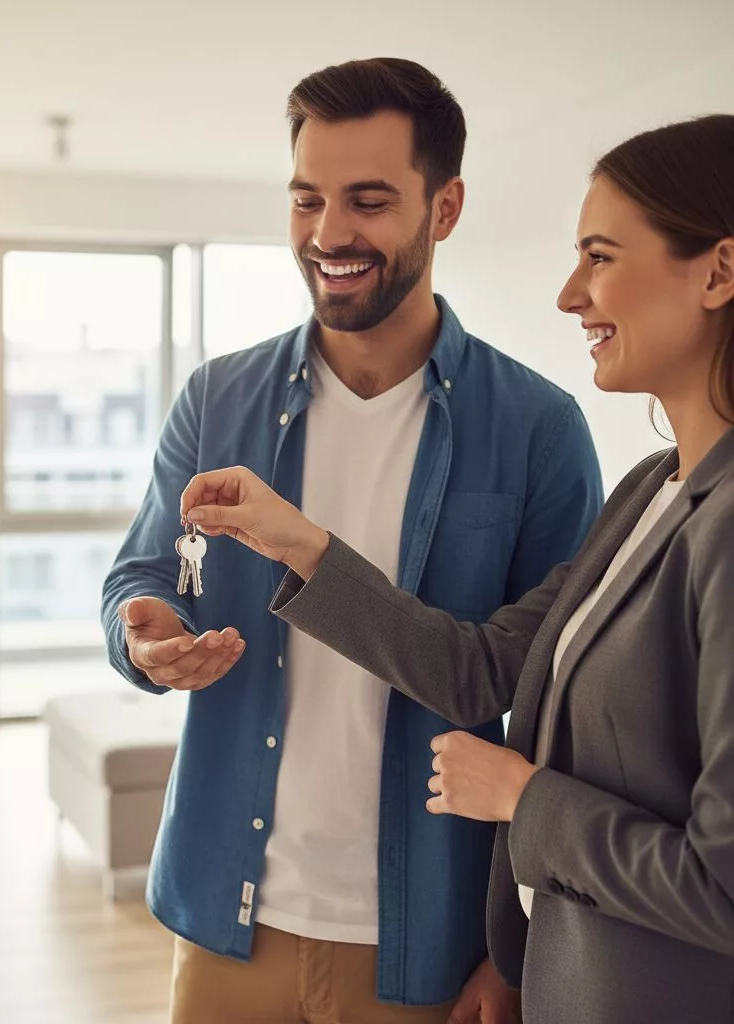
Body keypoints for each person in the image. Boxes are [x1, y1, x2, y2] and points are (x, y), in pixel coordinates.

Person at [180, 114, 734, 1024]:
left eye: (599, 257)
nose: (569, 294)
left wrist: (523, 801)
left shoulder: (686, 504)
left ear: (717, 273)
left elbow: (721, 880)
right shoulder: (649, 489)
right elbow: (479, 668)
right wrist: (300, 544)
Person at [102, 57, 603, 1024]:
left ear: (444, 208)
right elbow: (143, 569)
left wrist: (513, 951)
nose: (329, 234)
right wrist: (142, 628)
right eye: (307, 200)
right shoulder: (217, 398)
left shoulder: (538, 429)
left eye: (368, 202)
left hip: (428, 936)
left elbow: (557, 718)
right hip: (224, 912)